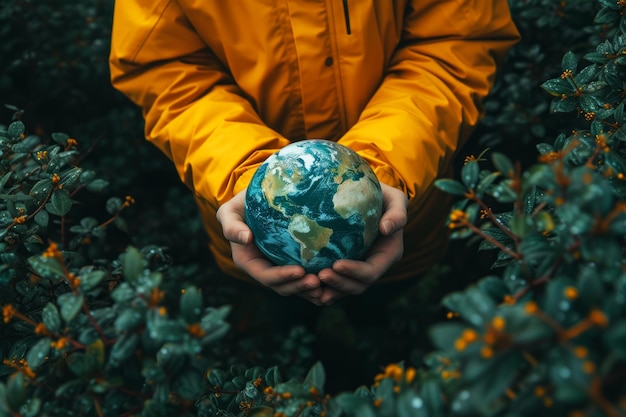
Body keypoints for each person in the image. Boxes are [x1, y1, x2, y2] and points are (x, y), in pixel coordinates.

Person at [109, 0, 519, 306]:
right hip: (254, 233)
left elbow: (457, 41)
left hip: (400, 217)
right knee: (280, 330)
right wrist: (248, 175)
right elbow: (165, 68)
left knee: (391, 323)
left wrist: (378, 171)